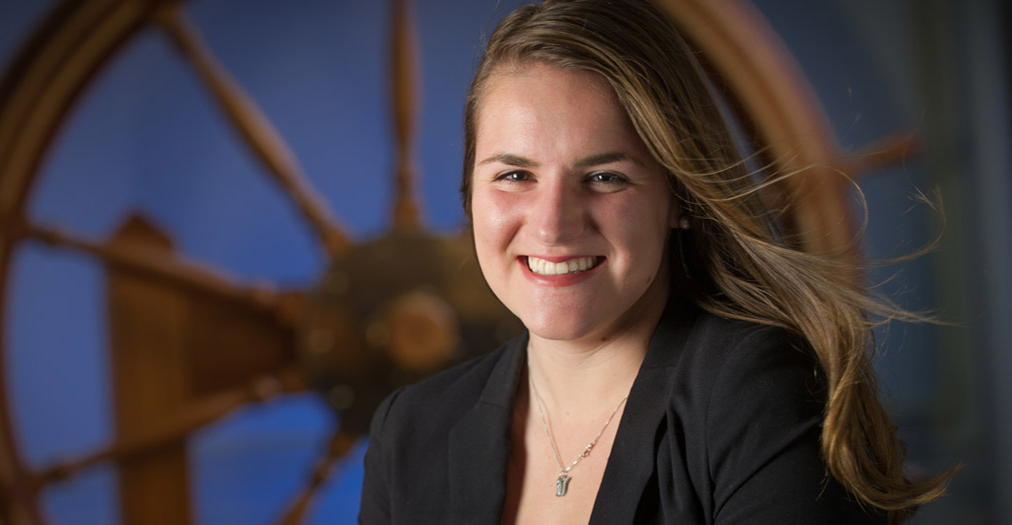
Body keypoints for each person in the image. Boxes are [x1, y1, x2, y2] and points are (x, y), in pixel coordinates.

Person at [359, 0, 954, 523]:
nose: (551, 224)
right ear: (469, 194)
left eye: (604, 177)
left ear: (681, 199)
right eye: (515, 175)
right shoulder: (410, 429)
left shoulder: (763, 395)